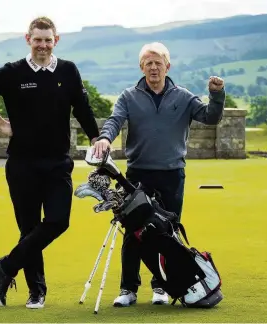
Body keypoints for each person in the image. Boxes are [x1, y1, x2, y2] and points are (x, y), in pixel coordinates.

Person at [0, 16, 100, 309]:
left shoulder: (68, 70)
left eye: (47, 40)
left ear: (56, 41)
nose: (42, 45)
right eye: (37, 39)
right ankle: (36, 292)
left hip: (58, 164)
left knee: (57, 221)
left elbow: (84, 109)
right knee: (29, 228)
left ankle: (6, 266)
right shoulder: (13, 72)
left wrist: (97, 138)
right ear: (28, 39)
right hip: (22, 165)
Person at [92, 42, 225, 307]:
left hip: (172, 175)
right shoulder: (128, 96)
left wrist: (217, 93)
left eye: (158, 62)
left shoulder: (184, 97)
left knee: (168, 232)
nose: (154, 67)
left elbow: (211, 117)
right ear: (141, 67)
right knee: (132, 232)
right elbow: (114, 120)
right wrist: (105, 138)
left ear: (168, 66)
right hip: (137, 175)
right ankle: (128, 289)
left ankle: (161, 287)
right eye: (148, 63)